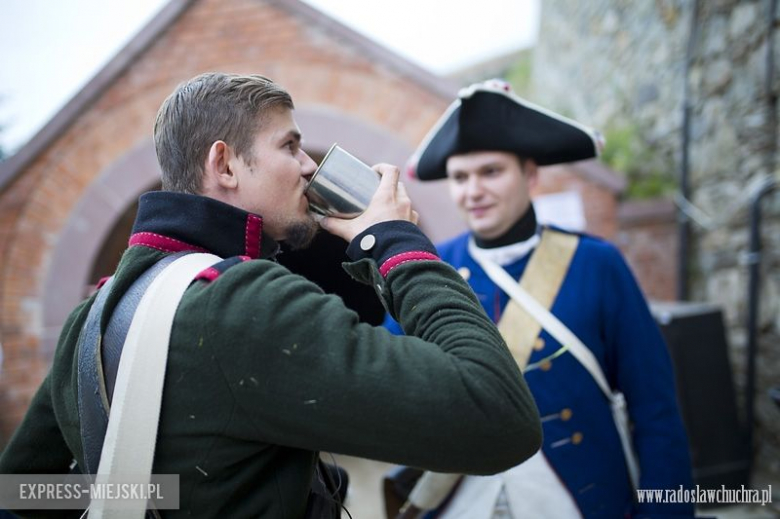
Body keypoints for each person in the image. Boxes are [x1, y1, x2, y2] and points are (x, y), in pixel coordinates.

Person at [0, 73, 543, 518]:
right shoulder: (244, 301)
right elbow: (497, 417)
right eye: (289, 145)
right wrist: (396, 241)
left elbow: (22, 491)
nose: (309, 165)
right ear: (225, 165)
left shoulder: (91, 313)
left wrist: (159, 494)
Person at [384, 80, 695, 518]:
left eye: (490, 172)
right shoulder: (427, 265)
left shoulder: (597, 263)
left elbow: (655, 409)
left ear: (530, 174)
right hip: (458, 501)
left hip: (579, 497)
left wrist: (667, 512)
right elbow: (392, 380)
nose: (472, 191)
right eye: (460, 177)